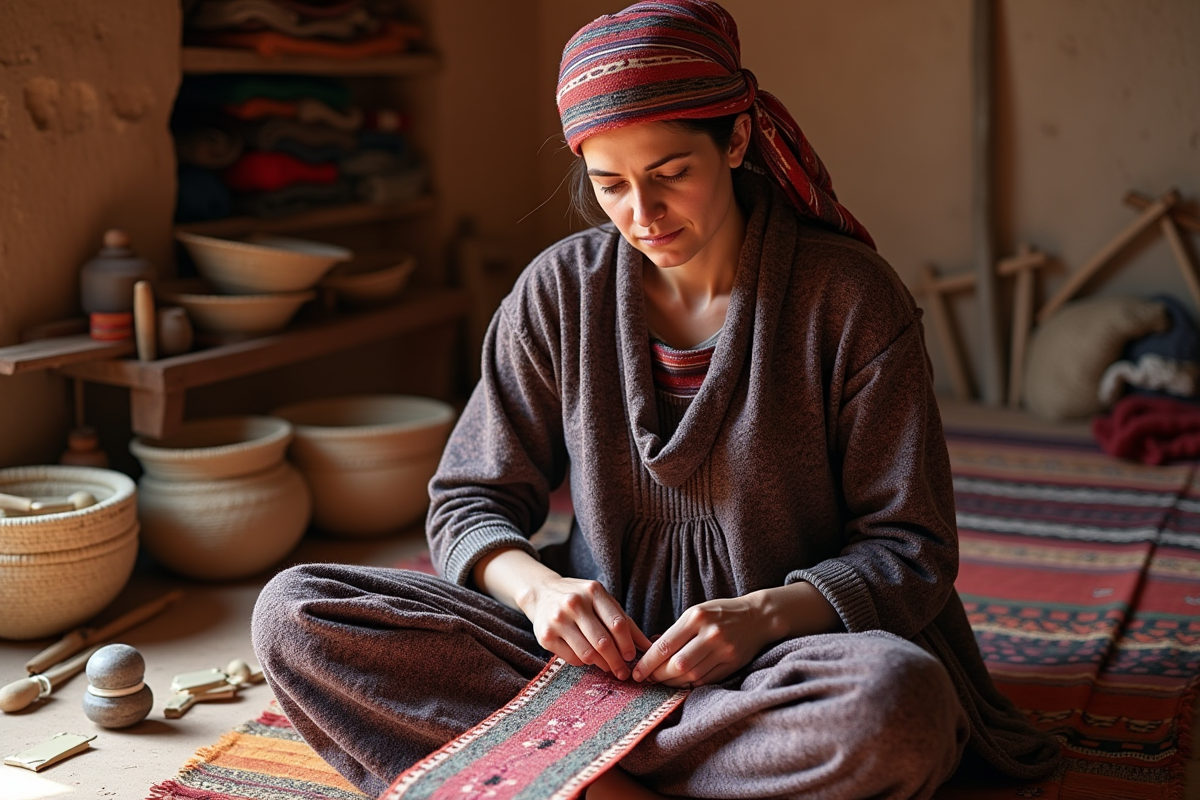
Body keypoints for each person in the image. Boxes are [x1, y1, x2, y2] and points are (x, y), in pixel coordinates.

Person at [251, 1, 1062, 797]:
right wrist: (540, 592)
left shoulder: (848, 300)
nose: (642, 215)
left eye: (672, 174)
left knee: (896, 707)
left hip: (776, 666)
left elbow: (911, 547)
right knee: (295, 613)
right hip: (590, 665)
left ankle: (568, 771)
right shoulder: (557, 293)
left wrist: (762, 617)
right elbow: (469, 500)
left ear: (736, 139)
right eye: (609, 184)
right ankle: (664, 773)